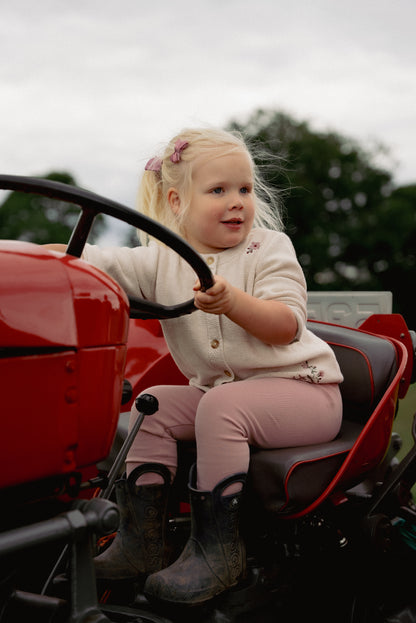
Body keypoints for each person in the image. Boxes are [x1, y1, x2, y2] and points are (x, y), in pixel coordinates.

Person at [45, 127, 343, 605]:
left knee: (221, 406)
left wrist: (234, 303)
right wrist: (22, 255)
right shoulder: (162, 261)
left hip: (305, 393)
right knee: (152, 405)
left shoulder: (269, 249)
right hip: (224, 396)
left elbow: (287, 324)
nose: (237, 202)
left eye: (244, 189)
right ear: (176, 200)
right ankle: (142, 541)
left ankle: (218, 551)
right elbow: (91, 259)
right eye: (218, 190)